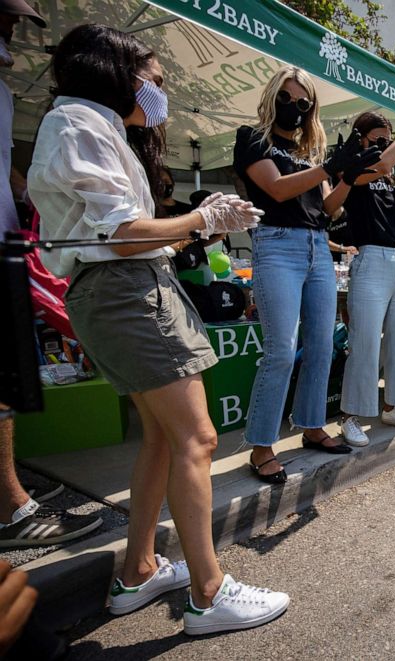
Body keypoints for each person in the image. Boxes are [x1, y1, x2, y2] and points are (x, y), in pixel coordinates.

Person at [28, 24, 288, 634]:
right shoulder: (81, 124)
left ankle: (139, 570)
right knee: (197, 438)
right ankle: (208, 592)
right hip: (127, 290)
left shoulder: (89, 125)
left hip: (124, 289)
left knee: (163, 439)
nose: (160, 93)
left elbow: (119, 228)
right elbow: (121, 234)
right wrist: (201, 217)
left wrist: (199, 223)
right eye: (155, 81)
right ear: (117, 72)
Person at [234, 66, 382, 481]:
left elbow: (328, 207)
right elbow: (278, 189)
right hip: (277, 244)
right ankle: (261, 446)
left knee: (321, 346)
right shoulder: (252, 139)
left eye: (303, 102)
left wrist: (349, 176)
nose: (294, 107)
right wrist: (329, 166)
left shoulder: (307, 153)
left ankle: (312, 426)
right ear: (271, 96)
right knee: (281, 349)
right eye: (287, 97)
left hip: (318, 246)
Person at [0, 0, 104, 550]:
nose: (13, 29)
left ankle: (12, 506)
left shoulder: (8, 94)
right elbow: (118, 222)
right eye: (7, 15)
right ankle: (11, 511)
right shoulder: (71, 124)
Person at [329, 96, 395, 447]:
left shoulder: (388, 175)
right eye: (378, 138)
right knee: (366, 341)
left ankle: (394, 405)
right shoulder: (354, 168)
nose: (384, 145)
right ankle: (351, 416)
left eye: (387, 139)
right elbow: (384, 163)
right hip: (369, 258)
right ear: (362, 138)